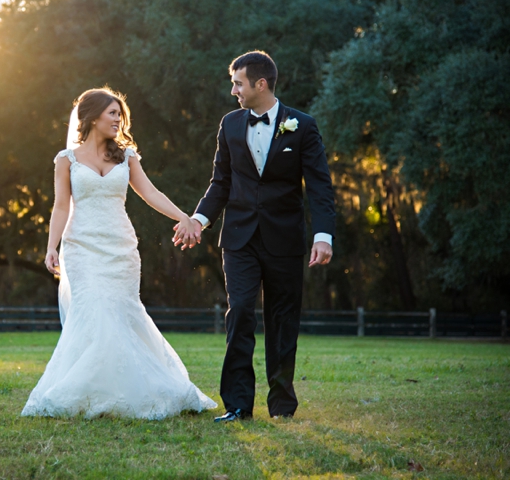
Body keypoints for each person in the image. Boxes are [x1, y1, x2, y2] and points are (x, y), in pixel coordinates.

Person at [21, 87, 217, 419]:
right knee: (93, 310)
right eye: (112, 113)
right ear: (92, 116)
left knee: (121, 313)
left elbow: (150, 192)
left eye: (119, 114)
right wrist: (51, 246)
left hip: (121, 248)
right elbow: (60, 206)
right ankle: (82, 389)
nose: (118, 119)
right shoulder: (65, 160)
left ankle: (132, 390)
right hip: (81, 247)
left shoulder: (127, 157)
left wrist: (184, 216)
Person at [174, 50, 336, 422]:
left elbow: (320, 187)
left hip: (286, 240)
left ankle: (281, 408)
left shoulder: (303, 125)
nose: (234, 90)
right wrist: (198, 220)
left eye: (238, 83)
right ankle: (237, 405)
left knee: (282, 320)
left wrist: (323, 235)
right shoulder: (230, 125)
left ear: (260, 84)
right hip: (239, 239)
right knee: (241, 311)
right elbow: (221, 182)